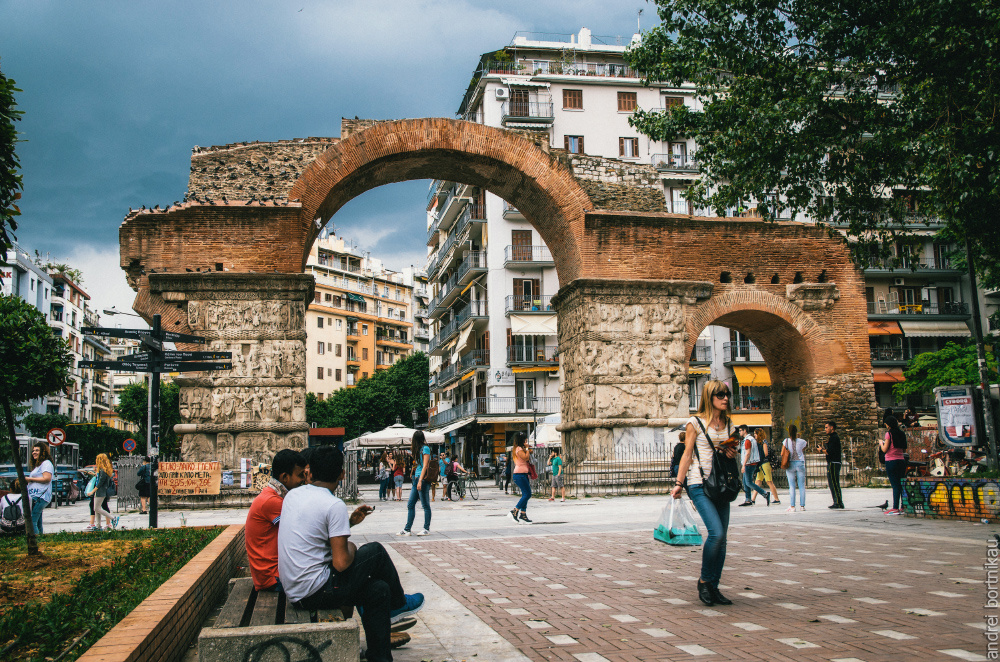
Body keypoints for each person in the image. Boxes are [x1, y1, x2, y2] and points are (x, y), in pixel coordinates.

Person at [278, 445, 424, 662]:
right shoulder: (333, 504)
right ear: (342, 474)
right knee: (374, 551)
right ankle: (399, 603)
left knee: (378, 589)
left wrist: (347, 526)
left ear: (310, 472)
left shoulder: (293, 496)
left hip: (296, 588)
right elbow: (341, 563)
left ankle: (380, 657)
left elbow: (316, 535)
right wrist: (352, 548)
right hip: (314, 591)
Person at [670, 379, 739, 607]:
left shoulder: (729, 424)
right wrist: (679, 483)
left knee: (723, 540)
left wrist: (731, 453)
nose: (725, 399)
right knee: (716, 533)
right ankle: (704, 580)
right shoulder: (695, 423)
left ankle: (714, 586)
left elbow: (730, 454)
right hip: (699, 484)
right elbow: (687, 454)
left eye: (727, 394)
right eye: (720, 395)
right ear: (709, 398)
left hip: (721, 485)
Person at [246, 449, 307, 592]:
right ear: (284, 477)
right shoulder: (273, 501)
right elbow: (304, 533)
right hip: (273, 578)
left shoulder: (272, 495)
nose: (303, 480)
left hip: (271, 575)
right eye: (300, 476)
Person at [398, 431, 432, 537]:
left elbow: (425, 466)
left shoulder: (425, 449)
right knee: (410, 504)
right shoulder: (419, 450)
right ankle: (407, 529)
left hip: (423, 479)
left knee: (425, 504)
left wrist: (420, 481)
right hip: (416, 478)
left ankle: (426, 528)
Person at [24, 442, 54, 535]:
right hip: (36, 496)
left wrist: (29, 479)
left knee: (32, 521)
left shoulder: (46, 463)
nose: (34, 452)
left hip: (41, 496)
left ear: (43, 452)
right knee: (37, 521)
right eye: (33, 450)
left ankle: (35, 541)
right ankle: (41, 539)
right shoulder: (39, 465)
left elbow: (47, 478)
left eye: (37, 450)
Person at [738, 425, 771, 506]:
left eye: (740, 430)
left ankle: (765, 493)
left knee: (748, 482)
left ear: (745, 430)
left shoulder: (748, 440)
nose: (739, 432)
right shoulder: (751, 439)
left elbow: (748, 453)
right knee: (745, 482)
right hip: (752, 463)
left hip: (749, 463)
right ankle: (748, 500)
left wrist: (743, 465)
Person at [881, 416, 908, 515]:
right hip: (901, 460)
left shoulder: (889, 434)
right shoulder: (901, 434)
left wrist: (881, 443)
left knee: (895, 485)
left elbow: (885, 449)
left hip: (891, 461)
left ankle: (895, 507)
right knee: (901, 484)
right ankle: (903, 506)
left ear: (888, 424)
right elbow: (904, 449)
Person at [88, 453, 119, 530]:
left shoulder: (103, 471)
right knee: (97, 509)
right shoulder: (104, 470)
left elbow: (100, 483)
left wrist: (92, 491)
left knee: (97, 509)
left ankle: (112, 518)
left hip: (100, 492)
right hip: (100, 492)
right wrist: (95, 474)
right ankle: (98, 526)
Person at [750, 428, 780, 505]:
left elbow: (766, 453)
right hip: (760, 464)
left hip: (764, 464)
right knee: (757, 482)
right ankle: (753, 499)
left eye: (755, 434)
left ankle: (777, 499)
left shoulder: (764, 442)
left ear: (759, 434)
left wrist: (758, 457)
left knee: (769, 481)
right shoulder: (758, 442)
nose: (754, 435)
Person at [782, 425, 808, 513]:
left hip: (790, 463)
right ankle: (802, 506)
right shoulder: (802, 441)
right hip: (800, 462)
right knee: (801, 485)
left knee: (792, 486)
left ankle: (792, 506)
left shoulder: (786, 441)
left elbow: (782, 453)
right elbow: (803, 448)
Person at [509, 433, 533, 524]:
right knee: (527, 494)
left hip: (523, 474)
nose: (526, 441)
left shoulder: (520, 448)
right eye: (525, 439)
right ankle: (515, 511)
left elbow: (529, 453)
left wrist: (528, 449)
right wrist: (527, 449)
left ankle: (523, 514)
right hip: (519, 474)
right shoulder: (518, 449)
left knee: (525, 494)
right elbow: (526, 458)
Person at [821, 421, 844, 509]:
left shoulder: (833, 438)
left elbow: (829, 451)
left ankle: (837, 502)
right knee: (834, 483)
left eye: (827, 427)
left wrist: (821, 450)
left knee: (833, 483)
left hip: (833, 463)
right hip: (834, 462)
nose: (825, 429)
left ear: (832, 428)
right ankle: (838, 501)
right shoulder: (833, 438)